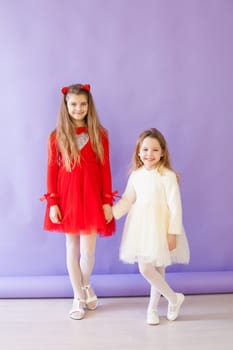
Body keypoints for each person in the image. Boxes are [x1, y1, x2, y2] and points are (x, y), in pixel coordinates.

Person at [41, 83, 115, 320]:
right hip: (68, 197)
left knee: (88, 251)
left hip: (92, 196)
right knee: (71, 248)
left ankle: (85, 285)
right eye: (73, 104)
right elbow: (51, 171)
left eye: (83, 104)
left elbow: (105, 169)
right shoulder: (56, 136)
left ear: (89, 105)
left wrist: (106, 201)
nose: (78, 108)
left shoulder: (99, 134)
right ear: (66, 105)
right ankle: (78, 296)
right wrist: (53, 202)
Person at [112, 128, 190, 325]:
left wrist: (173, 233)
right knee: (146, 268)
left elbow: (175, 206)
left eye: (155, 150)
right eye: (145, 149)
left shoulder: (168, 175)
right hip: (142, 227)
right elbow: (128, 199)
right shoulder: (136, 175)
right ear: (138, 152)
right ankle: (174, 298)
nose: (149, 154)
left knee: (158, 269)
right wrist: (111, 214)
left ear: (163, 152)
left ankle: (152, 309)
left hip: (162, 226)